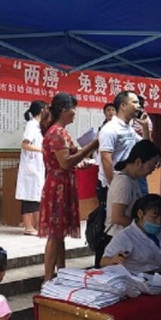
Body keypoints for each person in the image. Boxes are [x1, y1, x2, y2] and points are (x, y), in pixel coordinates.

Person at [39, 92, 99, 281]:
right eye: (73, 109)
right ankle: (48, 278)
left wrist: (80, 160)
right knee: (54, 235)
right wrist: (91, 146)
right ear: (64, 111)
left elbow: (66, 161)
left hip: (60, 183)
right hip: (58, 186)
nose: (75, 112)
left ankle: (61, 273)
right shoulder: (57, 132)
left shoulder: (58, 131)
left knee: (59, 234)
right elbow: (65, 162)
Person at [96, 140, 161, 267]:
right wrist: (142, 225)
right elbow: (117, 217)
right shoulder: (124, 182)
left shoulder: (132, 180)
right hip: (117, 239)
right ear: (138, 162)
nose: (153, 169)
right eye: (152, 165)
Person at [98, 91, 151, 201]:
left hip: (128, 181)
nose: (139, 106)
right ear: (123, 106)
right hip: (115, 183)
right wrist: (114, 187)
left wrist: (145, 127)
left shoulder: (129, 129)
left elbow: (146, 147)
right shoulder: (110, 129)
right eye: (135, 102)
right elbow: (106, 159)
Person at [100, 193, 161, 274]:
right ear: (140, 213)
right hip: (135, 278)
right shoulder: (125, 237)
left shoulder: (160, 236)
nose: (159, 222)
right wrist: (113, 260)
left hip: (159, 277)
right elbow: (103, 262)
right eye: (154, 217)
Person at [16, 100, 47, 235]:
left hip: (36, 167)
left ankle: (38, 225)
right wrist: (42, 150)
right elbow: (25, 144)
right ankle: (28, 227)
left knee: (36, 197)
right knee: (29, 197)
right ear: (42, 110)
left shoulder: (38, 126)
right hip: (31, 167)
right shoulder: (31, 125)